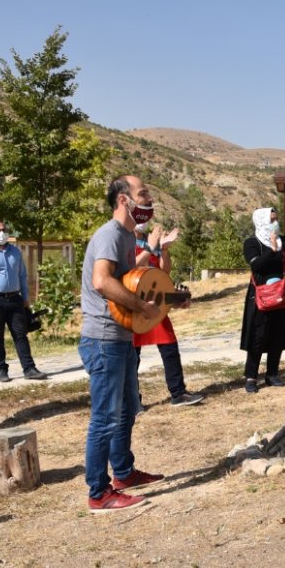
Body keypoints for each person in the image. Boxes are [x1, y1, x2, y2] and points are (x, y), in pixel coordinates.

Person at [80, 175, 164, 513]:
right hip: (103, 340)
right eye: (142, 193)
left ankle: (124, 475)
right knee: (105, 418)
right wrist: (143, 306)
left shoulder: (128, 236)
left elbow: (128, 277)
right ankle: (98, 493)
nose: (148, 199)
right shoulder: (110, 235)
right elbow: (102, 282)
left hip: (121, 338)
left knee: (127, 409)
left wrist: (166, 297)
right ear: (123, 200)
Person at [132, 222, 203, 408]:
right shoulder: (123, 241)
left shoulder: (151, 240)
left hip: (155, 305)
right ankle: (132, 401)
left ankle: (178, 393)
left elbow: (164, 271)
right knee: (132, 356)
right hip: (133, 306)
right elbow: (133, 268)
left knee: (169, 347)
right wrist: (150, 247)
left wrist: (163, 249)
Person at [0, 220, 46, 382]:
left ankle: (29, 368)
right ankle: (1, 370)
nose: (2, 233)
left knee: (21, 334)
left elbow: (22, 275)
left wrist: (26, 297)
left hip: (15, 298)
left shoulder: (15, 252)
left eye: (4, 229)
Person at [240, 207, 285, 394]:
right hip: (261, 295)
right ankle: (251, 376)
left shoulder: (283, 239)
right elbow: (257, 266)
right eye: (271, 219)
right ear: (261, 221)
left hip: (284, 294)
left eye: (276, 219)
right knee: (258, 337)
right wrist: (273, 249)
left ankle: (272, 374)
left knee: (278, 333)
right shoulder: (252, 243)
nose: (275, 222)